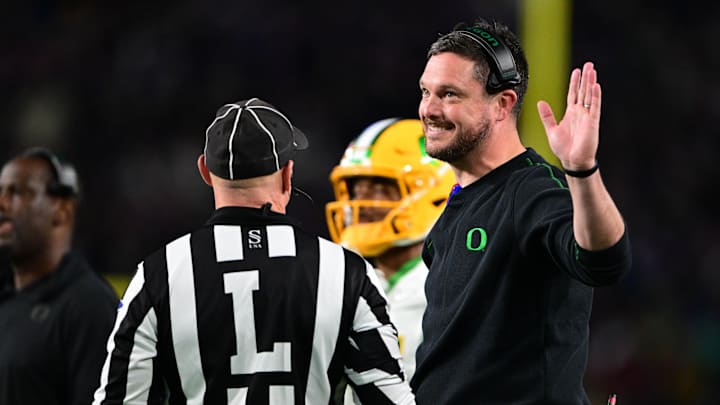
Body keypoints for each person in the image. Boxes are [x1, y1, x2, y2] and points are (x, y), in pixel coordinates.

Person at [93, 98, 415, 405]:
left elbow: (118, 399)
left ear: (205, 171)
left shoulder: (159, 273)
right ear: (288, 174)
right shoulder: (346, 272)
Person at [410, 17, 632, 404]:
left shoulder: (531, 192)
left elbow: (604, 260)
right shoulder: (455, 209)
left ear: (502, 104)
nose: (429, 108)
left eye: (449, 94)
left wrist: (581, 170)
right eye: (425, 92)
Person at [326, 117, 454, 386]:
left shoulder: (454, 285)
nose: (362, 204)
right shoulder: (335, 277)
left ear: (433, 193)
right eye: (356, 189)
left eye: (381, 189)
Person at [0, 147, 118, 405]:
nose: (2, 202)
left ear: (62, 210)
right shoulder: (7, 300)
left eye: (17, 192)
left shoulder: (89, 306)